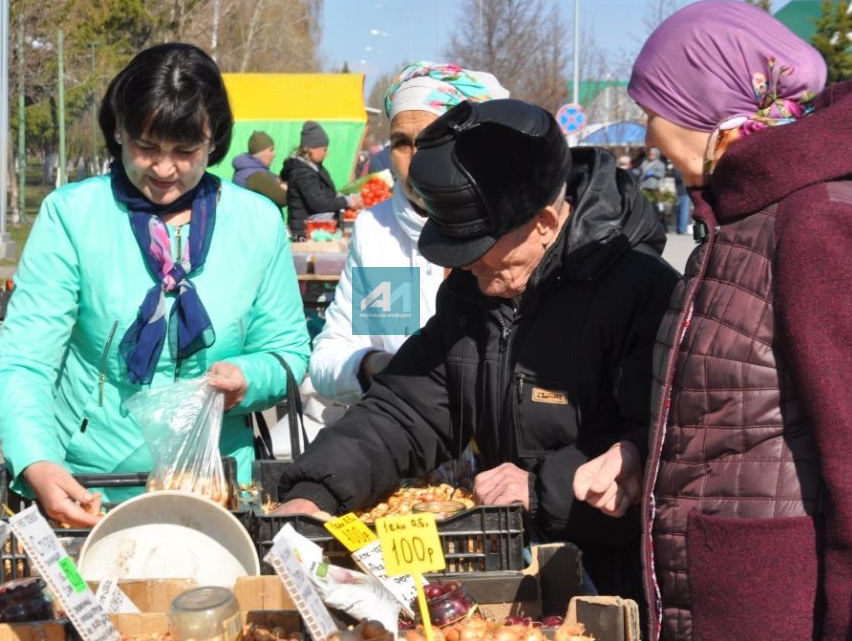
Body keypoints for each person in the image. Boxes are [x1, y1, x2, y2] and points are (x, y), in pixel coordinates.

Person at [574, 0, 852, 641]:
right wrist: (645, 455)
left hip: (776, 609)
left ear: (703, 104)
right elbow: (738, 411)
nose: (646, 136)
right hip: (727, 600)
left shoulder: (815, 222)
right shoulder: (745, 219)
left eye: (652, 109)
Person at [274, 98, 680, 603]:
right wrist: (316, 490)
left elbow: (663, 443)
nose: (470, 272)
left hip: (610, 581)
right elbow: (407, 408)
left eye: (479, 253)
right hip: (508, 570)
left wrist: (540, 487)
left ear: (545, 225)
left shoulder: (642, 292)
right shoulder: (473, 293)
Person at [0, 43, 311, 527]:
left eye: (185, 151)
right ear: (118, 130)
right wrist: (37, 461)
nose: (163, 170)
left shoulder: (257, 223)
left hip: (218, 489)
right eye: (146, 147)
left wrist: (249, 378)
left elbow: (287, 349)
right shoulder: (73, 216)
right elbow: (24, 361)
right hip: (90, 490)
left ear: (215, 140)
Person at [308, 61, 508, 405]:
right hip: (410, 439)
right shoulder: (377, 232)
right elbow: (330, 353)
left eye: (435, 140)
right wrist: (371, 365)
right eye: (402, 143)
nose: (416, 162)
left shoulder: (514, 231)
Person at [282, 121, 360, 240]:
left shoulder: (313, 168)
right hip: (306, 232)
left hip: (315, 229)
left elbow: (323, 194)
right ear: (312, 149)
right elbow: (318, 202)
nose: (327, 153)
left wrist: (338, 196)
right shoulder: (302, 172)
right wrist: (346, 201)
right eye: (324, 149)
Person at [231, 130, 287, 206]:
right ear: (261, 152)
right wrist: (284, 187)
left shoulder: (245, 169)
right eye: (271, 150)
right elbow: (284, 199)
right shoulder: (256, 176)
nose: (274, 154)